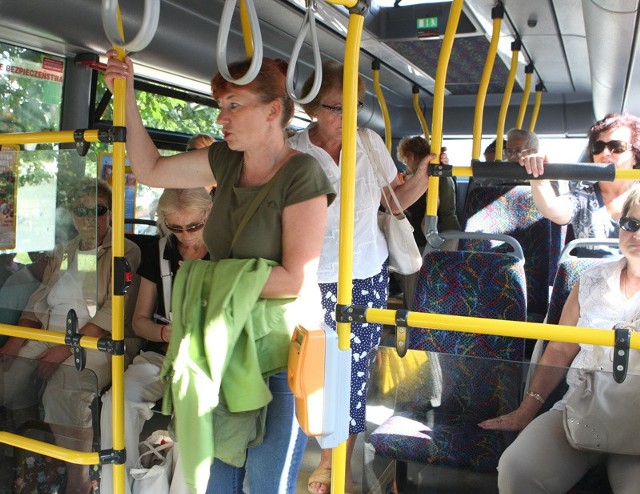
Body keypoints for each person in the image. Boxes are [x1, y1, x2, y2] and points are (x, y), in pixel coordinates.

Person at [104, 51, 334, 494]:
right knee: (217, 477)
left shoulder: (302, 174)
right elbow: (150, 171)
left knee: (267, 482)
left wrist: (203, 279)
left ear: (272, 111)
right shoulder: (226, 162)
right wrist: (126, 93)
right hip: (225, 342)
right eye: (220, 106)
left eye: (234, 106)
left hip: (281, 351)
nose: (222, 118)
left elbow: (294, 279)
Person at [288, 60, 441, 494]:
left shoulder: (369, 142)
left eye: (354, 106)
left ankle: (337, 463)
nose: (347, 116)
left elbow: (397, 201)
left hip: (364, 273)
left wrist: (426, 174)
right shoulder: (294, 150)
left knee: (351, 372)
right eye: (337, 107)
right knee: (312, 367)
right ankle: (310, 445)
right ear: (313, 107)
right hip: (309, 276)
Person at [478, 186, 640, 493]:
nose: (637, 235)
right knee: (518, 468)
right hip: (581, 409)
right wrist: (527, 410)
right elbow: (561, 348)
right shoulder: (590, 280)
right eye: (632, 224)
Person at [0, 178, 141, 494]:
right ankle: (35, 451)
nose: (89, 218)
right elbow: (40, 298)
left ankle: (78, 480)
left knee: (64, 389)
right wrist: (14, 341)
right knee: (6, 377)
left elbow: (112, 312)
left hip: (96, 338)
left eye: (98, 210)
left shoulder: (124, 250)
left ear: (110, 213)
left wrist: (66, 348)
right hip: (51, 330)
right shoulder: (65, 250)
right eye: (81, 211)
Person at [99, 187, 211, 494]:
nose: (185, 236)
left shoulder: (226, 252)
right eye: (176, 227)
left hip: (208, 362)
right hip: (159, 355)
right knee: (115, 402)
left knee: (196, 412)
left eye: (193, 226)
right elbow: (139, 322)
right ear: (163, 222)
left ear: (209, 215)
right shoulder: (159, 253)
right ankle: (116, 487)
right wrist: (164, 333)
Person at [519, 113, 640, 257]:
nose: (605, 152)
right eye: (598, 147)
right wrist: (537, 174)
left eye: (617, 146)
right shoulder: (583, 196)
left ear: (635, 156)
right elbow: (552, 209)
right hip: (593, 276)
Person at [397, 135, 460, 307]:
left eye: (405, 159)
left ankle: (411, 316)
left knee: (414, 283)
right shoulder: (442, 174)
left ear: (410, 156)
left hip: (425, 237)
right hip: (445, 233)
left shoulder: (420, 180)